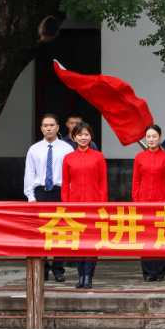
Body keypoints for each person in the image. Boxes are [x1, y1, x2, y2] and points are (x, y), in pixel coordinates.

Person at [23, 113, 74, 282]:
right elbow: (29, 173)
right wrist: (30, 196)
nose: (49, 128)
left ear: (58, 127)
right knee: (41, 231)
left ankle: (58, 269)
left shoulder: (67, 148)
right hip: (41, 192)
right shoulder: (34, 149)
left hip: (60, 192)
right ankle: (43, 268)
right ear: (41, 128)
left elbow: (71, 174)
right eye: (45, 125)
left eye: (52, 125)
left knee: (60, 230)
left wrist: (70, 194)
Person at [61, 121, 108, 289]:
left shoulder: (98, 156)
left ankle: (88, 276)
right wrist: (66, 206)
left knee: (91, 242)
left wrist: (102, 206)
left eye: (86, 134)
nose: (83, 137)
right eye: (79, 134)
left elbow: (103, 183)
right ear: (74, 137)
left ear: (91, 137)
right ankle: (80, 275)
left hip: (93, 205)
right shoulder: (68, 158)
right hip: (74, 206)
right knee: (78, 243)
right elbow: (65, 185)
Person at [133, 124, 165, 282]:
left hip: (161, 201)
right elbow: (136, 181)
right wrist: (136, 201)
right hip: (143, 202)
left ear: (160, 137)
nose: (151, 139)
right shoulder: (139, 157)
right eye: (148, 137)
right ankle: (148, 272)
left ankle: (160, 272)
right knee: (146, 237)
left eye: (154, 136)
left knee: (161, 236)